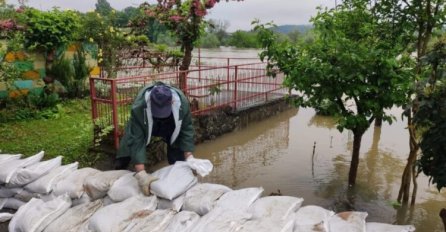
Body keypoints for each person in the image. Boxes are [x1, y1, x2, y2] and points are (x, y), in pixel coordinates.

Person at [115, 82, 196, 195]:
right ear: (150, 102)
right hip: (147, 123)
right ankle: (119, 175)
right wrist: (142, 174)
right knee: (126, 149)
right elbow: (137, 140)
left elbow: (186, 129)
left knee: (178, 156)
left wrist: (189, 157)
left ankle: (179, 181)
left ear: (172, 101)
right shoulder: (139, 107)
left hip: (170, 123)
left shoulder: (182, 103)